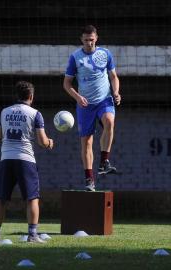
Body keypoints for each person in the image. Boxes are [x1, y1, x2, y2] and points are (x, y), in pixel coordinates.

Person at [0, 81, 54, 244]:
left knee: (1, 198)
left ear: (17, 95)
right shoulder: (35, 113)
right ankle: (32, 235)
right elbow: (41, 141)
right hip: (25, 160)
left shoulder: (4, 112)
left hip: (6, 159)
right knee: (32, 199)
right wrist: (49, 143)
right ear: (31, 96)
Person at [63, 25, 121, 192]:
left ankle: (104, 162)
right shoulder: (75, 57)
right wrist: (78, 97)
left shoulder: (105, 54)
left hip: (104, 100)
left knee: (110, 121)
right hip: (85, 105)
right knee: (87, 142)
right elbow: (66, 84)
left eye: (92, 40)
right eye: (86, 40)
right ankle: (89, 179)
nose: (89, 43)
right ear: (81, 39)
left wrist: (116, 92)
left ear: (96, 38)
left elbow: (114, 77)